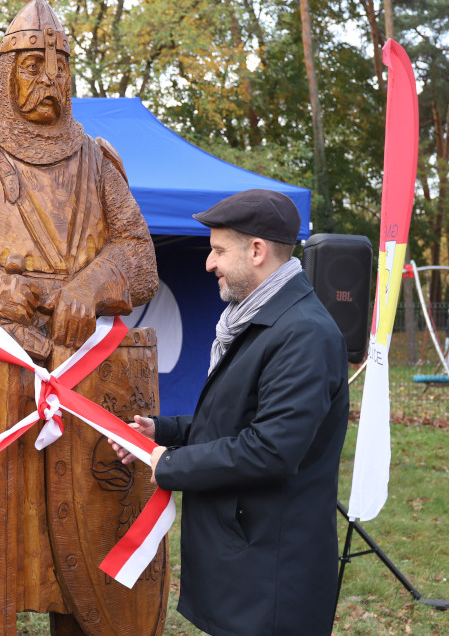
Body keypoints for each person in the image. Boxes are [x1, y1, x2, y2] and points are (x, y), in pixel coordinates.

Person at [0, 0, 164, 634]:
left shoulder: (96, 159)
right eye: (31, 64)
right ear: (5, 70)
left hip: (81, 372)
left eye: (59, 66)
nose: (49, 79)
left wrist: (94, 281)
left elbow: (138, 258)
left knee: (75, 561)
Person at [110, 190, 349, 636]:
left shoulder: (303, 334)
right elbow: (235, 420)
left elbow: (271, 449)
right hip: (244, 561)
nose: (209, 263)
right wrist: (161, 432)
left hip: (271, 574)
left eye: (218, 250)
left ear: (257, 251)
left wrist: (171, 464)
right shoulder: (259, 320)